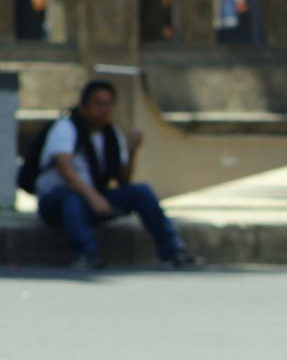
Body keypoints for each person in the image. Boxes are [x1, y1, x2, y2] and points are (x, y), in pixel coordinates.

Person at [34, 80, 197, 270]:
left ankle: (173, 250)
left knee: (141, 192)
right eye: (98, 103)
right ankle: (86, 254)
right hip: (57, 201)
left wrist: (132, 151)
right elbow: (65, 168)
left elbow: (123, 180)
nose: (104, 109)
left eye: (108, 104)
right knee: (72, 199)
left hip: (93, 199)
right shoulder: (66, 127)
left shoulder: (111, 133)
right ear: (84, 105)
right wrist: (93, 197)